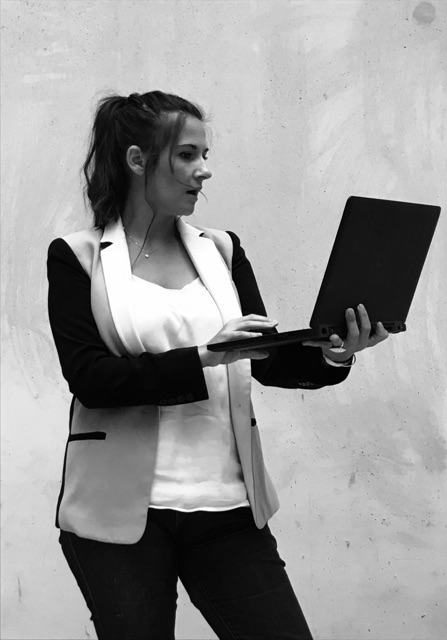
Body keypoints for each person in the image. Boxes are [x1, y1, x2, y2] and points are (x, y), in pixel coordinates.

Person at [47, 90, 388, 640]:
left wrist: (336, 351)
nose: (203, 170)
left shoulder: (223, 250)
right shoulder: (77, 257)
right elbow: (92, 380)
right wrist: (208, 354)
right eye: (187, 155)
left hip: (228, 506)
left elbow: (265, 359)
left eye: (204, 155)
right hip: (121, 513)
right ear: (137, 160)